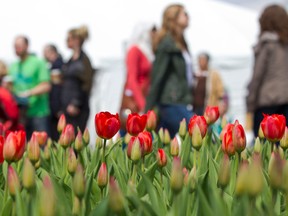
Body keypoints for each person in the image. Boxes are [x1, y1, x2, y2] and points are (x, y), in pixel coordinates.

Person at [146, 4, 193, 137]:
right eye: (184, 14)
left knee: (165, 144)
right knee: (198, 132)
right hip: (171, 101)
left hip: (182, 100)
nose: (188, 17)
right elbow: (157, 77)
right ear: (173, 18)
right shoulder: (167, 44)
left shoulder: (181, 42)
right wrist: (147, 110)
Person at [246, 4, 288, 137]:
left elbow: (257, 76)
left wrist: (250, 104)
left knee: (266, 149)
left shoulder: (267, 44)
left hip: (267, 102)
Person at [9, 36, 51, 138]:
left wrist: (28, 93)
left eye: (19, 46)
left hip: (38, 113)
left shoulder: (38, 62)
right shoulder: (13, 66)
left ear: (27, 46)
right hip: (21, 115)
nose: (16, 49)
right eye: (15, 46)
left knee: (40, 149)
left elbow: (46, 86)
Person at [119, 23, 157, 130]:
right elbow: (131, 79)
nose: (155, 34)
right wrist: (142, 103)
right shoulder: (134, 50)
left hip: (145, 95)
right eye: (152, 31)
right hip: (134, 98)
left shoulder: (148, 51)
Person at [62, 25, 94, 132]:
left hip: (78, 108)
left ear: (76, 40)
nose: (66, 41)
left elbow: (87, 84)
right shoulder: (70, 60)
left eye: (68, 39)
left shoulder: (84, 60)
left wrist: (76, 103)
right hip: (67, 106)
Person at [44, 44, 64, 140]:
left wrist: (57, 108)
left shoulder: (57, 65)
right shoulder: (51, 65)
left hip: (57, 106)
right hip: (53, 106)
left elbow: (57, 89)